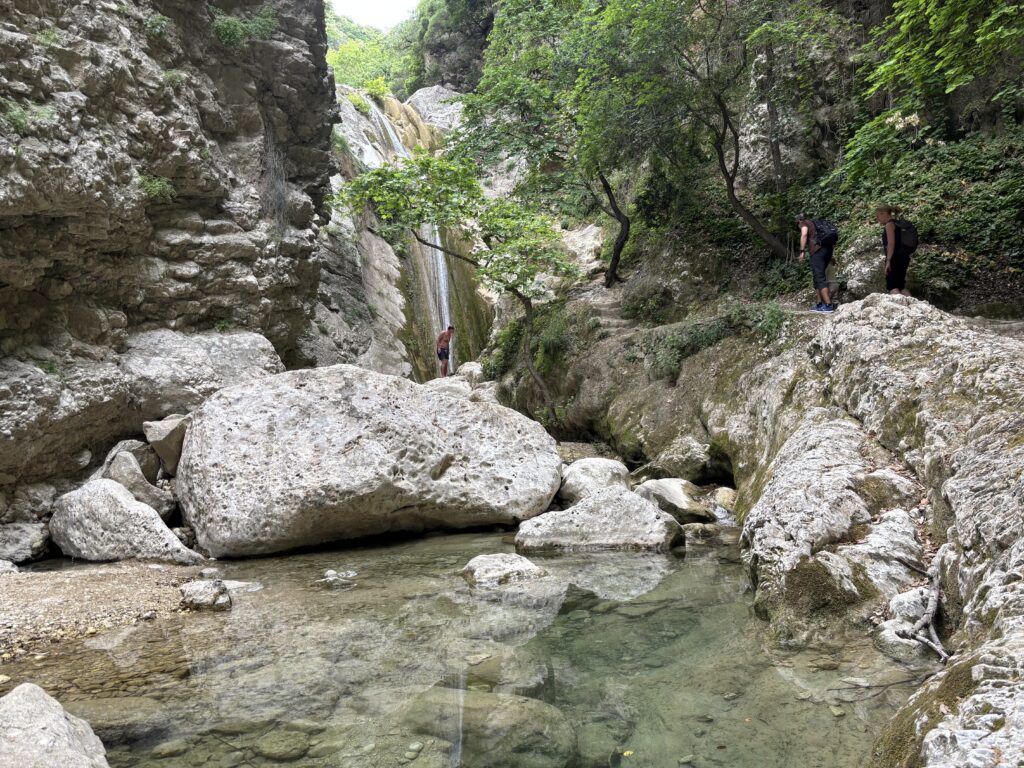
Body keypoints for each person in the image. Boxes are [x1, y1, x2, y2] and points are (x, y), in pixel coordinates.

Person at [797, 215, 838, 313]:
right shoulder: (816, 223)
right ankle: (820, 304)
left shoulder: (803, 223)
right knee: (817, 277)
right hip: (828, 250)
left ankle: (828, 305)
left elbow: (804, 234)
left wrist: (802, 251)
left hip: (817, 250)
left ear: (799, 221)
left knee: (819, 277)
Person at [876, 205, 913, 296]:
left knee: (893, 287)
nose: (877, 218)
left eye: (878, 216)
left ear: (884, 214)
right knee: (901, 286)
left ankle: (898, 305)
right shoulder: (898, 223)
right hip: (904, 257)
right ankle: (913, 304)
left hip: (894, 258)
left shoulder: (889, 225)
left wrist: (888, 260)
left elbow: (891, 243)